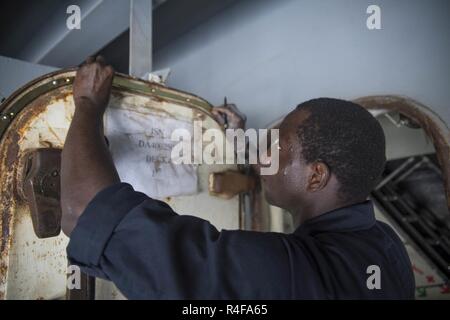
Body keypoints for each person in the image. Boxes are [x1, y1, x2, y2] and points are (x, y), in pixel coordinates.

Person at [61, 56, 415, 299]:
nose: (262, 156)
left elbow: (82, 211)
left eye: (275, 148)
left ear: (317, 176)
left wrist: (89, 105)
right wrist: (239, 142)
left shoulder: (291, 276)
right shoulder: (383, 246)